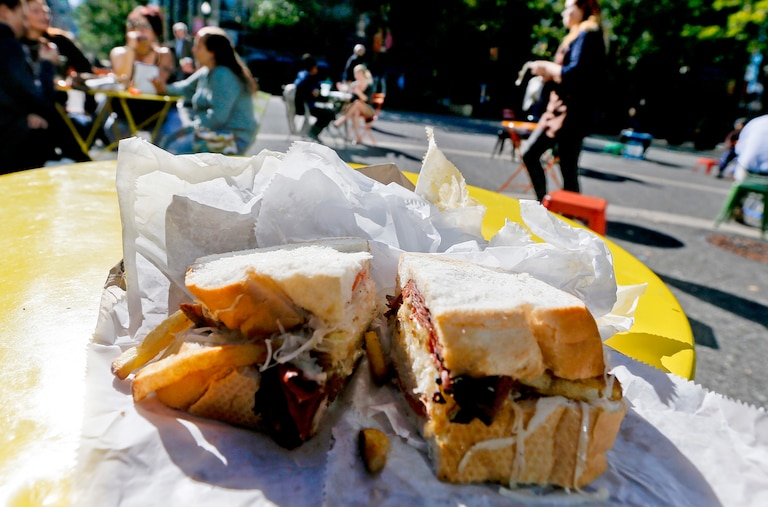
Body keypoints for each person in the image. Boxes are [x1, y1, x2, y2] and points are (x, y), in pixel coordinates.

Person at [521, 0, 606, 202]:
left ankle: (545, 205)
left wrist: (548, 68)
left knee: (532, 154)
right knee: (567, 166)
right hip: (566, 110)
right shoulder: (581, 34)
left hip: (569, 112)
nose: (564, 13)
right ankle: (566, 213)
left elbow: (574, 74)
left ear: (583, 9)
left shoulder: (587, 34)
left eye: (569, 8)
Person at [152, 27, 258, 155]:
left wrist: (187, 129)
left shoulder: (223, 74)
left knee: (174, 147)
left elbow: (217, 118)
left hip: (233, 139)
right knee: (165, 140)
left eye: (198, 47)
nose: (193, 50)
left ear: (212, 52)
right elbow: (185, 88)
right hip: (215, 133)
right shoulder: (207, 71)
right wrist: (163, 88)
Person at [22, 0, 93, 161]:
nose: (44, 15)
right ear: (23, 14)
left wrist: (78, 81)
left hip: (59, 108)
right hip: (33, 113)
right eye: (36, 11)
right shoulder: (15, 45)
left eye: (46, 11)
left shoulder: (58, 41)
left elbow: (86, 70)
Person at [0, 0, 57, 171]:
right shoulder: (8, 44)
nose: (25, 24)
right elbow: (38, 99)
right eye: (22, 17)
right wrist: (47, 65)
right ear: (4, 11)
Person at [105, 5, 175, 142]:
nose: (140, 30)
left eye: (145, 25)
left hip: (155, 112)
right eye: (135, 24)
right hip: (125, 111)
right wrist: (131, 49)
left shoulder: (163, 55)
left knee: (168, 133)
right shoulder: (119, 53)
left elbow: (161, 86)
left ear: (155, 31)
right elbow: (123, 80)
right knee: (114, 130)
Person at [294, 54, 335, 142]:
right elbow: (315, 93)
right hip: (309, 107)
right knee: (330, 113)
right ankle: (313, 131)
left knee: (328, 112)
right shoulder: (308, 79)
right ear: (312, 68)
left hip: (303, 106)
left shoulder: (301, 75)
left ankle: (314, 132)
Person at [332, 64, 376, 143]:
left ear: (363, 73)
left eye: (358, 73)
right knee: (355, 111)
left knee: (357, 103)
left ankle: (342, 120)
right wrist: (344, 90)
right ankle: (357, 138)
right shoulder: (354, 84)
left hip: (368, 110)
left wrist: (358, 92)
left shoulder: (369, 84)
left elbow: (366, 99)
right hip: (356, 109)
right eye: (355, 73)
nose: (357, 75)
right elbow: (350, 99)